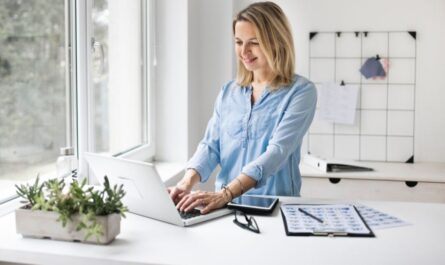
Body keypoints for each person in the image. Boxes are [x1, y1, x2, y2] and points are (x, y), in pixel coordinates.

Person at [168, 1, 317, 214]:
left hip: (274, 209)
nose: (244, 51)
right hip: (224, 208)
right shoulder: (229, 92)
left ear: (276, 41)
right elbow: (211, 146)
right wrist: (186, 183)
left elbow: (277, 152)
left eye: (254, 42)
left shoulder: (301, 92)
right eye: (238, 42)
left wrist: (226, 193)